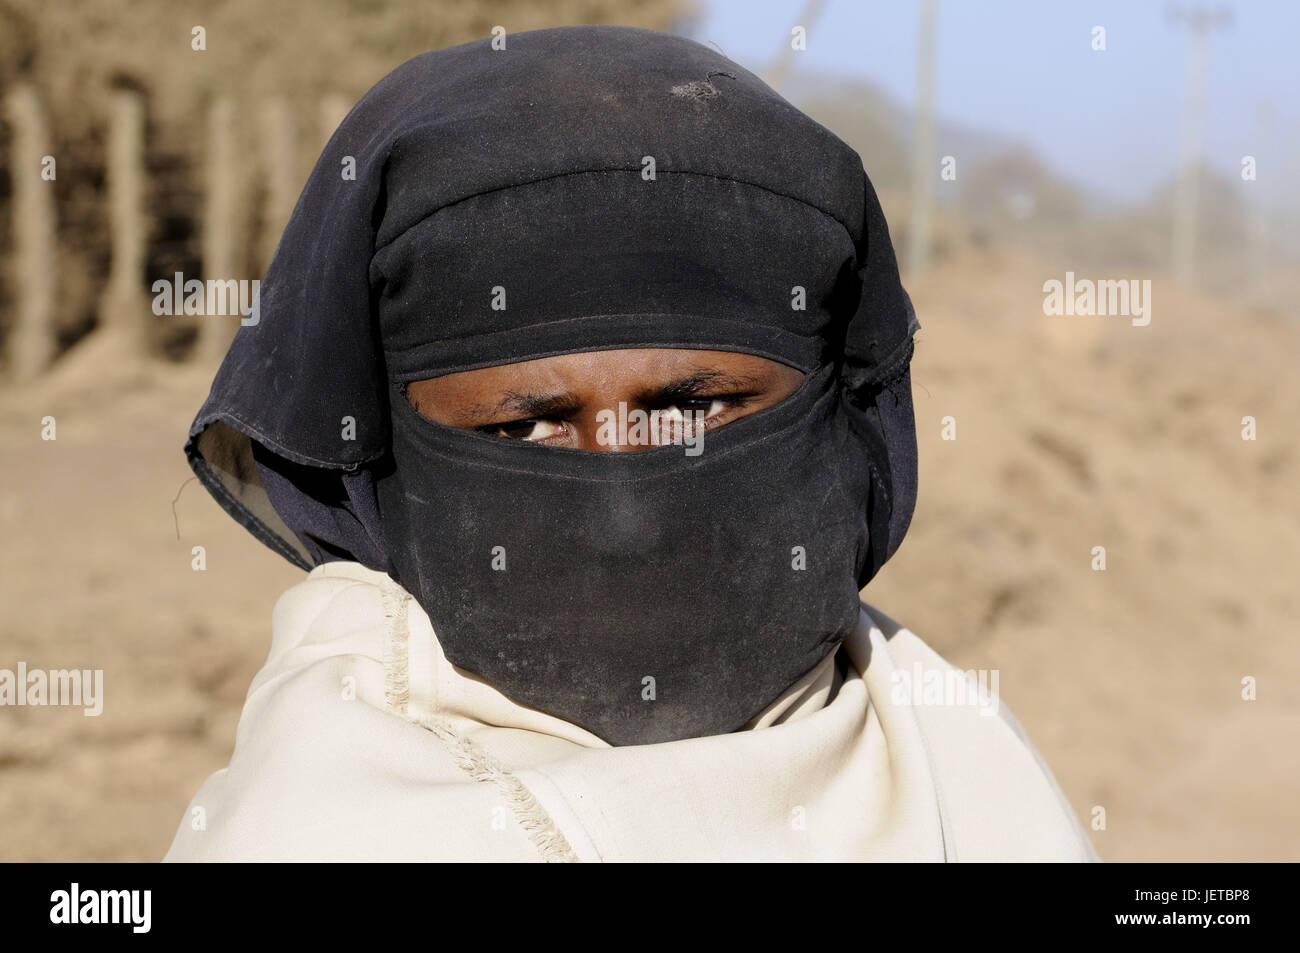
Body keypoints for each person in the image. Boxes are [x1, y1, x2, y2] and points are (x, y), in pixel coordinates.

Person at [164, 24, 1099, 862]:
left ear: (842, 417)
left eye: (693, 410)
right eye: (524, 425)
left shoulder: (964, 774)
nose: (623, 504)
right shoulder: (309, 837)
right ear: (378, 465)